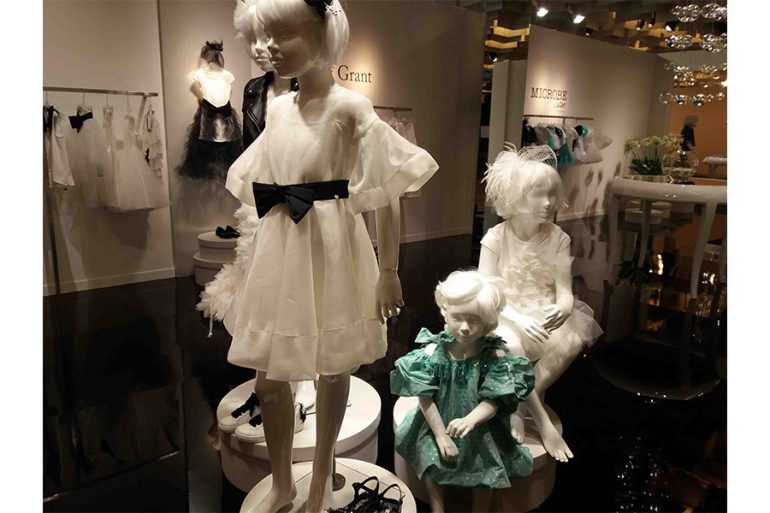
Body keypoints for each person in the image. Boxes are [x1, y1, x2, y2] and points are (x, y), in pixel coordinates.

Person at [222, 0, 439, 510]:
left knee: (333, 367)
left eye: (282, 33)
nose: (267, 47)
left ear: (324, 32)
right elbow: (263, 180)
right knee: (269, 379)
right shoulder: (277, 107)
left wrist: (389, 270)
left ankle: (322, 473)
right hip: (282, 246)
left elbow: (385, 190)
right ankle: (282, 481)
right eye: (262, 36)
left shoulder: (351, 108)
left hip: (334, 243)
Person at [478, 144, 602, 463]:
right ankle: (541, 419)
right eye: (538, 195)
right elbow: (486, 292)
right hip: (504, 313)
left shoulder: (558, 237)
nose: (548, 203)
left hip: (542, 312)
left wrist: (564, 306)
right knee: (511, 344)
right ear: (517, 198)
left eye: (551, 194)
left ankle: (518, 405)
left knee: (571, 340)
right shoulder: (496, 237)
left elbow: (564, 291)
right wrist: (518, 318)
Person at [391, 271, 535, 513]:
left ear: (487, 320)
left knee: (485, 464)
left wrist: (471, 420)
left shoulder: (493, 355)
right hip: (438, 419)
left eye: (474, 320)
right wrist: (440, 435)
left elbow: (494, 399)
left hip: (480, 423)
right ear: (445, 312)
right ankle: (437, 508)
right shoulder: (434, 351)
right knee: (430, 457)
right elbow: (424, 395)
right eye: (457, 318)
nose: (465, 328)